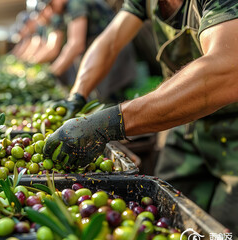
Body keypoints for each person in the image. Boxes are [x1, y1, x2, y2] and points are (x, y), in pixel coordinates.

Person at [43, 0, 238, 235]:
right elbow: (110, 40)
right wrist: (78, 94)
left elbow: (227, 68)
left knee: (225, 228)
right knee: (166, 217)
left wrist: (110, 123)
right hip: (190, 124)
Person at [39, 0, 137, 101]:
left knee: (111, 101)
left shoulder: (76, 4)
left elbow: (76, 45)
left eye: (51, 4)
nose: (50, 10)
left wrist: (52, 72)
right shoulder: (67, 9)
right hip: (104, 50)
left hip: (111, 50)